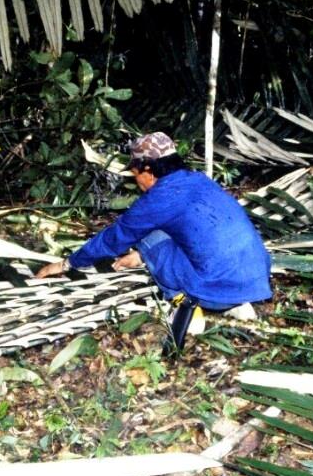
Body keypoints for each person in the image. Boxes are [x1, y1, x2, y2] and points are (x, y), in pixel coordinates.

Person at [35, 131, 271, 350]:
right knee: (179, 234)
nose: (137, 181)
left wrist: (67, 264)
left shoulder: (160, 198)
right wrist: (141, 255)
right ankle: (238, 305)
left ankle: (186, 309)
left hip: (216, 286)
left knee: (147, 234)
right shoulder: (199, 180)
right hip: (255, 278)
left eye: (135, 173)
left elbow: (113, 239)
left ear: (147, 169)